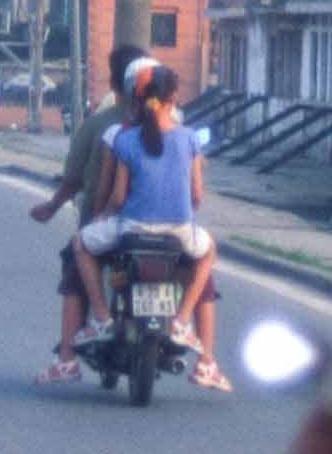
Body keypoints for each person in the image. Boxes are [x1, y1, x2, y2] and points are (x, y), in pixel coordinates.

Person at [70, 63, 229, 390]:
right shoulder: (188, 140)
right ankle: (183, 321)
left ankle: (101, 317)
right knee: (208, 251)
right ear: (174, 98)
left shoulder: (126, 140)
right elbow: (197, 195)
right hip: (178, 233)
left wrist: (102, 217)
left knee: (81, 245)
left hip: (132, 230)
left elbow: (116, 195)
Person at [28, 42, 148, 385]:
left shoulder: (102, 126)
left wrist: (52, 207)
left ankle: (68, 356)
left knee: (74, 271)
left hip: (106, 225)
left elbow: (75, 179)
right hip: (164, 230)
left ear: (116, 84)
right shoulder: (174, 131)